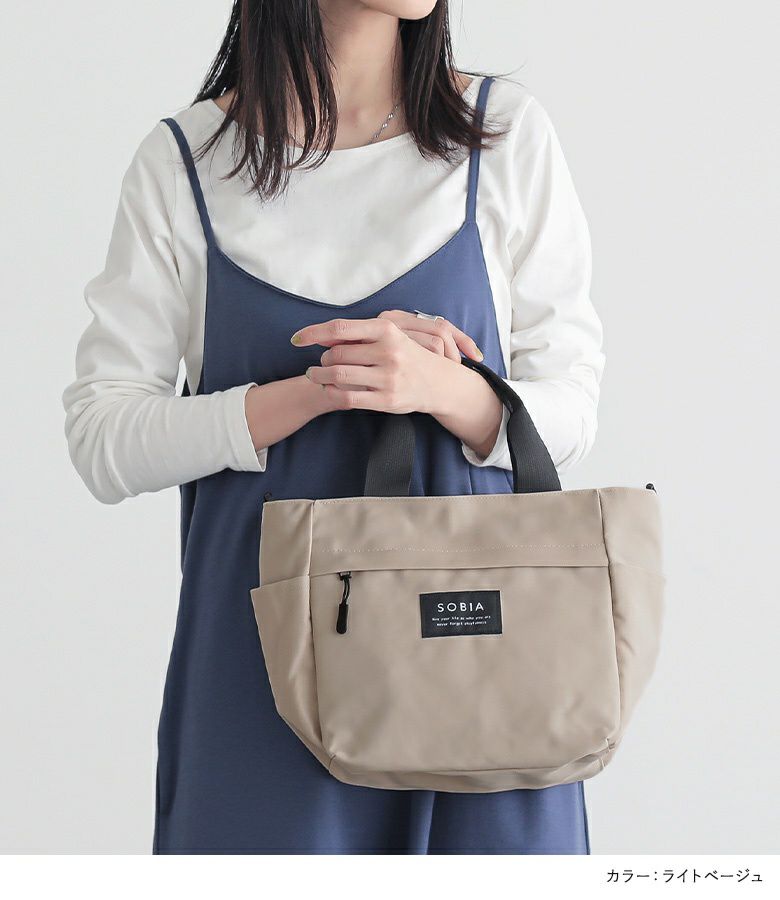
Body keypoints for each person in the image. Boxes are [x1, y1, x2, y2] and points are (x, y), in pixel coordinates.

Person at [62, 0, 605, 854]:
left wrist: (446, 389)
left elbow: (572, 408)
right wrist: (314, 391)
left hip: (479, 662)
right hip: (263, 676)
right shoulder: (185, 163)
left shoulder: (501, 135)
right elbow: (103, 439)